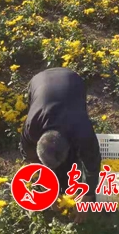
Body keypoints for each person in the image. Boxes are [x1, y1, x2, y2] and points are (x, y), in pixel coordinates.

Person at [20, 68, 102, 223]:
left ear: (69, 146)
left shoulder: (82, 131)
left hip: (73, 81)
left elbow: (92, 164)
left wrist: (88, 195)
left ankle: (67, 167)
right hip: (39, 81)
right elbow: (29, 155)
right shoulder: (32, 127)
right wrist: (49, 188)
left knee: (77, 159)